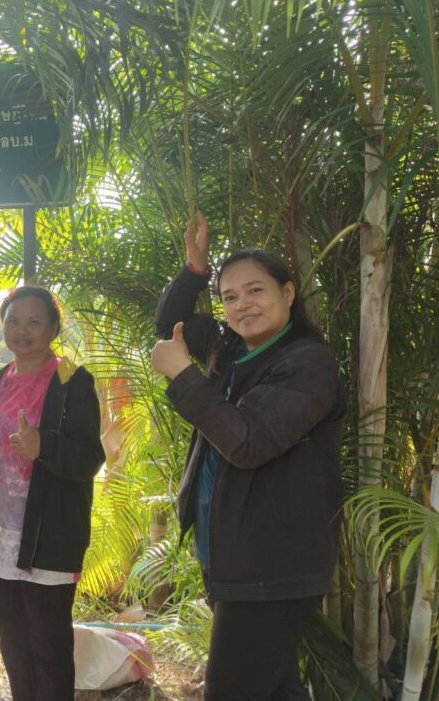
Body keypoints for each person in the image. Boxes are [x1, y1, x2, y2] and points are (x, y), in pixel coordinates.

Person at [151, 212, 345, 700]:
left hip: (272, 566)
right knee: (275, 689)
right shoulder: (230, 348)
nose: (242, 305)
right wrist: (194, 270)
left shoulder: (307, 364)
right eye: (230, 297)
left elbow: (248, 443)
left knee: (231, 690)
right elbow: (169, 327)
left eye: (255, 291)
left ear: (288, 292)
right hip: (236, 558)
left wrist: (183, 377)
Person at [0, 286, 104, 701]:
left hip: (48, 537)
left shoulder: (71, 381)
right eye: (13, 321)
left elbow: (90, 457)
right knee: (13, 641)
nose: (22, 331)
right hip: (0, 537)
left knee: (49, 647)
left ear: (53, 328)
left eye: (34, 322)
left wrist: (45, 446)